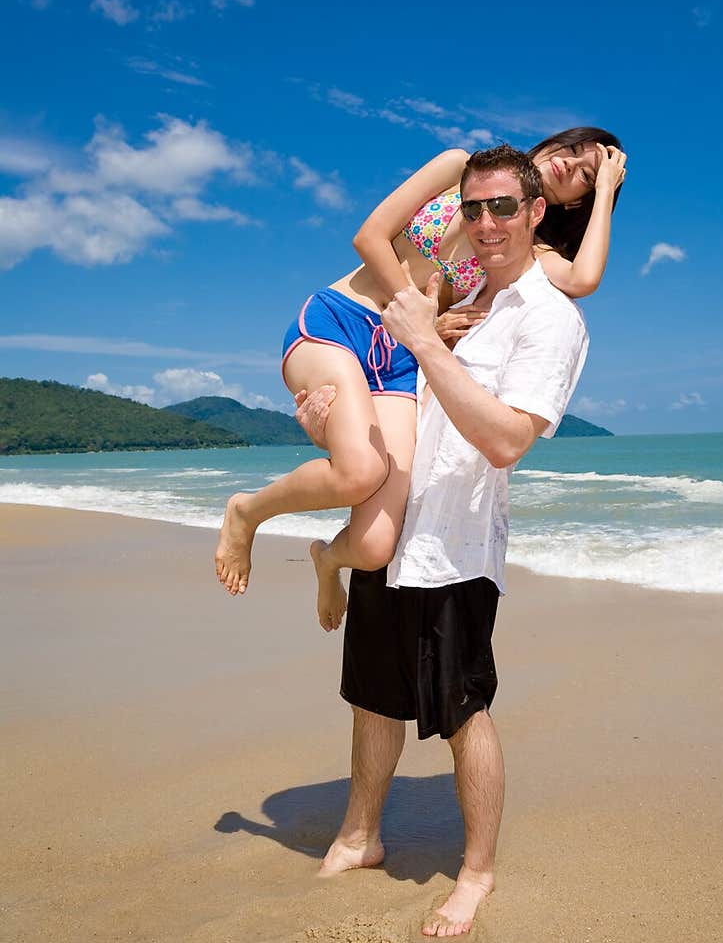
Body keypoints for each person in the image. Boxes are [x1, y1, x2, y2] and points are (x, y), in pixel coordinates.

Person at [302, 143, 596, 938]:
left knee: (464, 710)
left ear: (537, 215)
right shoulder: (460, 301)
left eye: (505, 206)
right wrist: (331, 418)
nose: (488, 221)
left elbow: (506, 440)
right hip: (396, 520)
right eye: (474, 208)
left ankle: (475, 873)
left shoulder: (550, 318)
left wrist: (428, 341)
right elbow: (389, 396)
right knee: (372, 696)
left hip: (457, 549)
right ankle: (361, 835)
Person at [214, 129, 626, 623]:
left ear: (571, 203)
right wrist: (416, 315)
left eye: (586, 175)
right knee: (359, 471)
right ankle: (247, 511)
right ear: (553, 142)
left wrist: (606, 191)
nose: (572, 165)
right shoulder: (459, 168)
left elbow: (582, 280)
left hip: (404, 360)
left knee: (373, 547)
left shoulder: (528, 251)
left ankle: (327, 559)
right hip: (343, 320)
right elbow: (369, 235)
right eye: (574, 150)